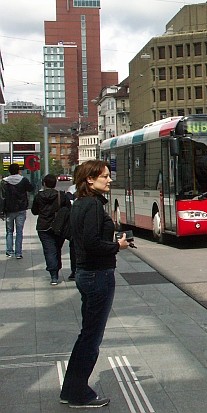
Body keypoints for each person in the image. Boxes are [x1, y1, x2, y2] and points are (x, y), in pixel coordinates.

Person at [60, 160, 130, 408]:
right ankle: (80, 393)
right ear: (89, 180)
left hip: (86, 273)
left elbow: (76, 238)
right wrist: (117, 246)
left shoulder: (80, 203)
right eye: (105, 176)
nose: (109, 180)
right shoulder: (91, 205)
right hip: (97, 274)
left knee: (86, 334)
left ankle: (70, 389)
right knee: (91, 338)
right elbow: (91, 242)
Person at [31, 174, 71, 285]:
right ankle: (56, 269)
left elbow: (34, 211)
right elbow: (68, 209)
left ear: (44, 183)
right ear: (55, 183)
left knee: (49, 250)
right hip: (59, 226)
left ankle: (53, 275)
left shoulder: (38, 196)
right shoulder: (61, 195)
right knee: (57, 249)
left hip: (43, 226)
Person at [2, 163, 34, 259]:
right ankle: (18, 253)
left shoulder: (4, 182)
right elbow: (31, 188)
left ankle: (9, 251)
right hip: (21, 209)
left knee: (9, 231)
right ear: (19, 170)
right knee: (19, 231)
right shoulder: (23, 180)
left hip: (9, 209)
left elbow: (2, 197)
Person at [66, 165, 80, 280]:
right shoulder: (93, 188)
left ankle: (74, 270)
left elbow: (69, 204)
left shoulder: (72, 188)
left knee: (74, 246)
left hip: (75, 222)